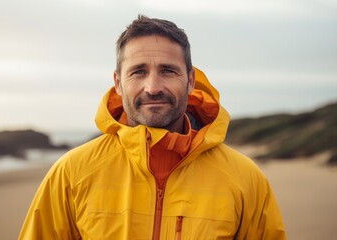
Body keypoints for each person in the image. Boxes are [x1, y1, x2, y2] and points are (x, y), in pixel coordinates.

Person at [19, 15, 286, 239]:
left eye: (168, 70)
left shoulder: (245, 178)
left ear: (191, 81)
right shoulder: (71, 173)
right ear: (118, 82)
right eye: (138, 71)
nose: (153, 87)